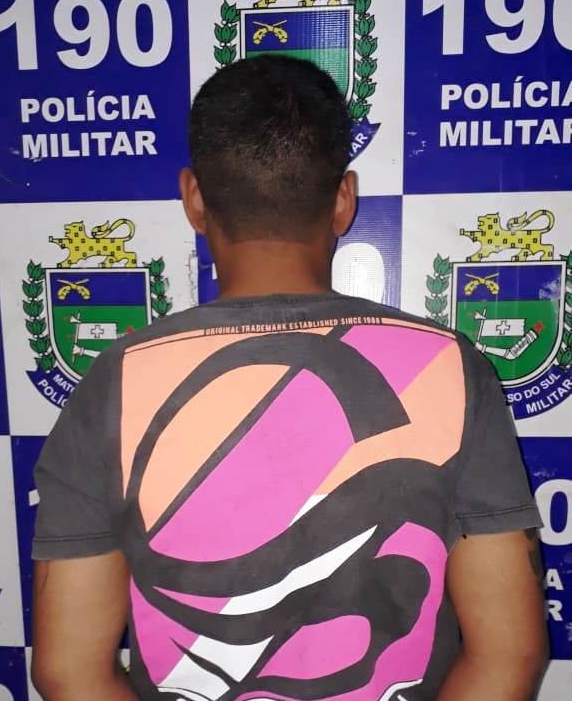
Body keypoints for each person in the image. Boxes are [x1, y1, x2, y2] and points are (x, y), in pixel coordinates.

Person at [31, 56, 548, 701]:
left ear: (194, 198)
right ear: (343, 200)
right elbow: (510, 654)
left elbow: (68, 672)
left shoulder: (116, 381)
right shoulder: (450, 367)